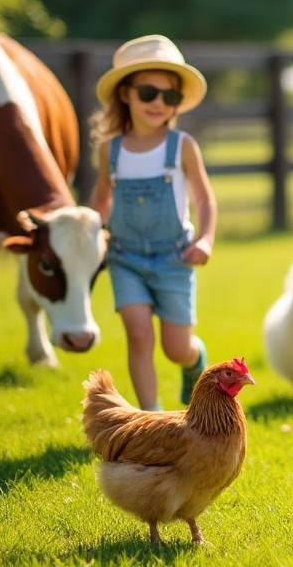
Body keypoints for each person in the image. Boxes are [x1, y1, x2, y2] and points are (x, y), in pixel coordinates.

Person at [89, 35, 216, 410]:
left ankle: (194, 362)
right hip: (125, 257)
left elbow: (205, 198)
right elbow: (101, 199)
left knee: (176, 347)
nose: (159, 103)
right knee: (139, 335)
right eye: (148, 92)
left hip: (174, 258)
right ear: (126, 94)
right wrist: (93, 235)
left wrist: (206, 239)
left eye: (169, 96)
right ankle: (151, 416)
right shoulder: (110, 150)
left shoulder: (182, 146)